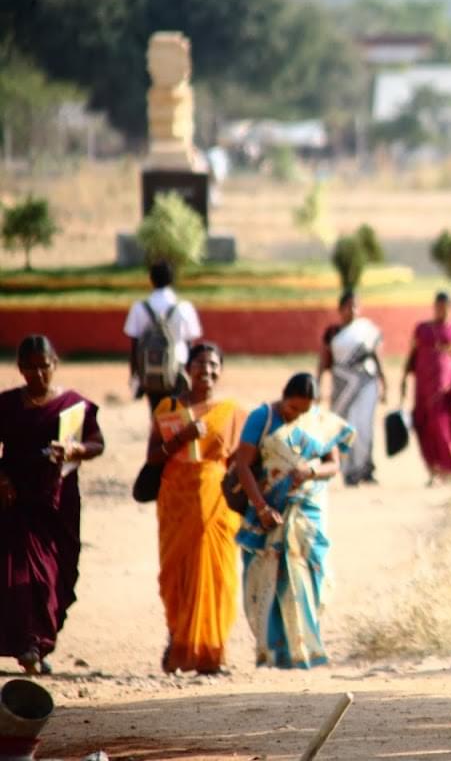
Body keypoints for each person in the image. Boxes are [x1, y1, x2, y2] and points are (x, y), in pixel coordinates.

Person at [0, 334, 105, 674]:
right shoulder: (7, 405)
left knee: (58, 573)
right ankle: (30, 644)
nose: (38, 374)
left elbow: (97, 443)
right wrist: (2, 478)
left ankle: (40, 639)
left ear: (55, 364)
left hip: (58, 502)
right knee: (23, 573)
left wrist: (76, 450)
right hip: (16, 501)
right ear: (20, 368)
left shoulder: (74, 405)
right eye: (30, 368)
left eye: (44, 366)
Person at [234, 372, 352, 669]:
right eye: (292, 408)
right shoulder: (261, 418)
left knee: (311, 573)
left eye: (304, 411)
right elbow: (243, 466)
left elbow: (333, 464)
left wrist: (310, 471)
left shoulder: (319, 421)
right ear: (283, 397)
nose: (296, 416)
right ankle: (276, 653)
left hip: (308, 511)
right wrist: (261, 507)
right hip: (268, 512)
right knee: (267, 577)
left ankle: (305, 648)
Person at [147, 342, 244, 674]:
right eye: (201, 364)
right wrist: (182, 437)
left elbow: (242, 461)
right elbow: (153, 457)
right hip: (177, 501)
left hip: (218, 503)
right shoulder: (170, 407)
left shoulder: (232, 412)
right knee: (176, 575)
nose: (207, 371)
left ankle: (213, 653)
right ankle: (179, 643)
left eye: (214, 365)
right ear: (188, 369)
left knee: (218, 576)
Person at [401, 291, 451, 486]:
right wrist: (403, 380)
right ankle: (434, 471)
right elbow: (412, 354)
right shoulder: (423, 329)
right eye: (439, 306)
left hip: (448, 389)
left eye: (445, 306)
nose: (441, 310)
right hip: (424, 387)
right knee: (425, 425)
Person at [318, 290, 386, 486]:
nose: (352, 310)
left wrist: (384, 382)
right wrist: (318, 383)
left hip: (366, 384)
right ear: (340, 309)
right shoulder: (333, 333)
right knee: (345, 427)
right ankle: (349, 472)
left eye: (355, 306)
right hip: (342, 386)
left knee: (364, 427)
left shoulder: (367, 330)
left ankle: (365, 469)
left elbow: (376, 357)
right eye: (348, 306)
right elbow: (324, 360)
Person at [124, 260, 204, 409]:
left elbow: (134, 345)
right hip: (178, 368)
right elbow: (190, 344)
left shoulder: (139, 307)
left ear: (151, 279)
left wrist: (134, 375)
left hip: (149, 369)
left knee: (156, 412)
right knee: (177, 412)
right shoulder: (184, 307)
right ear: (172, 279)